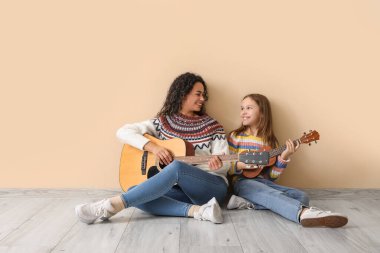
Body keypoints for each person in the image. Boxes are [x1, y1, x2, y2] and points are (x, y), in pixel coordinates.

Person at [75, 72, 229, 224]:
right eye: (198, 94)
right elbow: (123, 132)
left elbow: (226, 164)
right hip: (180, 191)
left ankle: (111, 205)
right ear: (183, 94)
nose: (203, 99)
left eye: (204, 95)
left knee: (176, 167)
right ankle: (200, 211)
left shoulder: (212, 126)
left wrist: (217, 166)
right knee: (135, 191)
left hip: (212, 187)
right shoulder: (163, 123)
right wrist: (154, 148)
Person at [226, 93, 348, 228]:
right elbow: (227, 166)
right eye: (242, 108)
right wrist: (242, 164)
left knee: (302, 197)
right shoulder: (236, 136)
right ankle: (303, 213)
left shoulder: (270, 142)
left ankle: (247, 203)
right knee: (266, 192)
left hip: (264, 183)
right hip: (243, 182)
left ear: (262, 113)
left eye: (248, 108)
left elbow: (271, 178)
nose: (243, 112)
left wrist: (284, 157)